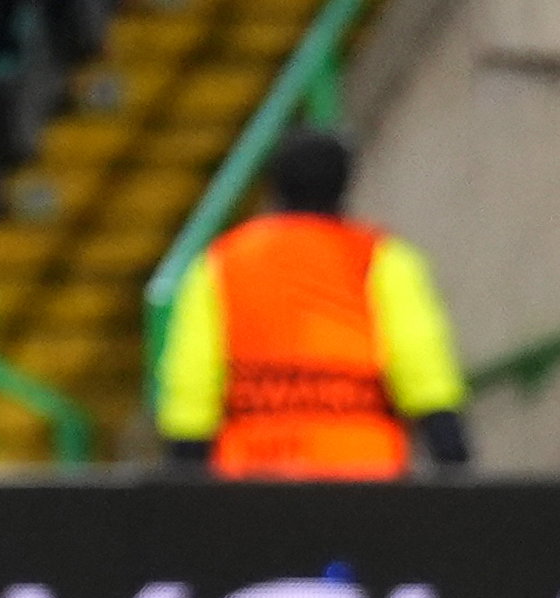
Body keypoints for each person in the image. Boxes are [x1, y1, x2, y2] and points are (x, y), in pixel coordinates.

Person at [155, 128, 472, 477]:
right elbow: (421, 361)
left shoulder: (222, 262)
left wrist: (184, 466)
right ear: (346, 182)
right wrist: (451, 452)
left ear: (273, 183)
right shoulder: (382, 257)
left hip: (254, 477)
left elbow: (192, 376)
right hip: (364, 473)